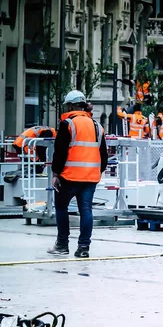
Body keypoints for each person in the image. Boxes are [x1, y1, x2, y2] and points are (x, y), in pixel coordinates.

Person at [47, 90, 108, 258]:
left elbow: (60, 152)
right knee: (86, 210)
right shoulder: (98, 126)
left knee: (61, 207)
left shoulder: (68, 124)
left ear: (71, 105)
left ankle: (62, 245)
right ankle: (83, 248)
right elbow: (104, 155)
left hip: (69, 176)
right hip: (90, 178)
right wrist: (97, 171)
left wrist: (55, 173)